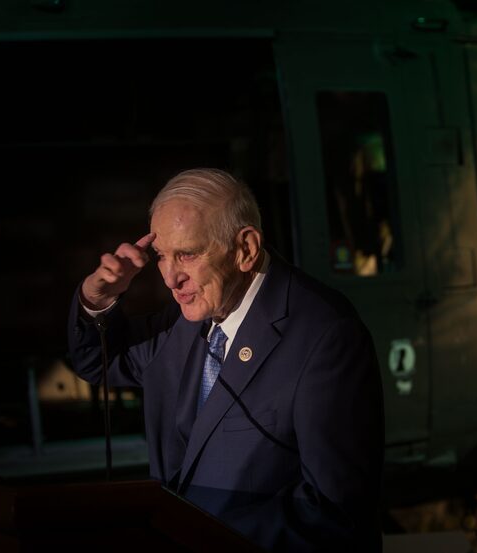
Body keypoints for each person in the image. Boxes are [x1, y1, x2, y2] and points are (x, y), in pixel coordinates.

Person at [68, 168, 384, 551]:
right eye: (161, 256)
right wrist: (98, 299)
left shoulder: (326, 336)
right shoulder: (186, 318)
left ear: (246, 249)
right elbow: (97, 361)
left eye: (187, 254)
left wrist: (198, 535)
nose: (169, 278)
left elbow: (335, 514)